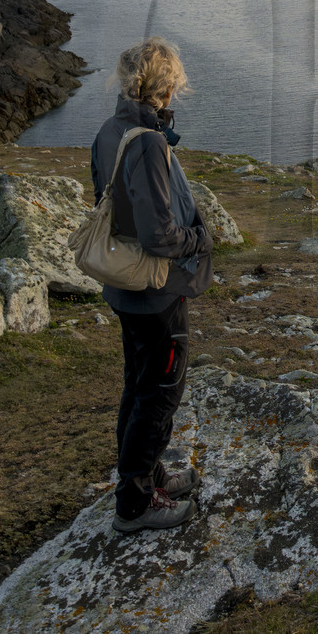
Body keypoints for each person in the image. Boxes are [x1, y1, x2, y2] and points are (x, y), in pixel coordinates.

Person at [90, 37, 214, 533]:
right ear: (167, 86)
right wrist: (199, 238)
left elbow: (111, 203)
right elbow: (159, 234)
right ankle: (136, 504)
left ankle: (146, 476)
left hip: (127, 289)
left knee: (139, 387)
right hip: (155, 291)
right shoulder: (146, 140)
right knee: (161, 392)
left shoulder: (109, 130)